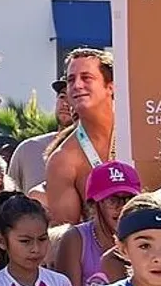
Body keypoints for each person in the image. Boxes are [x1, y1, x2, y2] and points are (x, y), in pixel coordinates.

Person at [42, 48, 117, 226]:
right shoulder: (62, 160)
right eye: (70, 80)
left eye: (86, 78)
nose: (77, 85)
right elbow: (66, 236)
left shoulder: (137, 134)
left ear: (111, 86)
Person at [54, 161, 136, 286]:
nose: (122, 207)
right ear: (93, 205)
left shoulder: (145, 239)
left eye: (129, 199)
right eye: (112, 200)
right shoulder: (76, 240)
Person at [7, 80, 71, 197]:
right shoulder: (28, 150)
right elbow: (10, 203)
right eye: (62, 96)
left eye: (73, 97)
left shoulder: (101, 150)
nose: (65, 104)